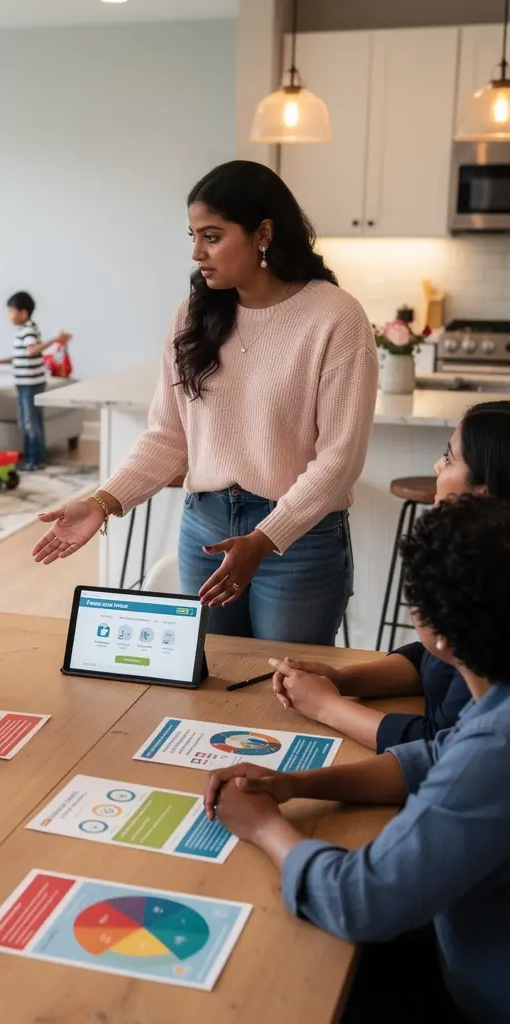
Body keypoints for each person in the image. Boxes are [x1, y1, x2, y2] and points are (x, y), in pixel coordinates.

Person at [33, 160, 378, 646]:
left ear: (263, 234)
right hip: (206, 527)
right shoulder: (194, 314)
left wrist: (265, 539)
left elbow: (340, 460)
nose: (197, 252)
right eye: (193, 236)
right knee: (207, 674)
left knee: (282, 680)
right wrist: (101, 503)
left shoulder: (336, 318)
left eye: (212, 237)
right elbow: (168, 436)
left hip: (298, 540)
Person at [204, 495, 510, 1024]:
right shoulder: (493, 709)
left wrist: (264, 826)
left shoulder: (495, 748)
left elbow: (357, 901)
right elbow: (437, 756)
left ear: (433, 634)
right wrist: (296, 784)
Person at [270, 399, 510, 752]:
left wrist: (327, 707)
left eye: (449, 458)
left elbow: (441, 747)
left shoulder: (494, 593)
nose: (437, 465)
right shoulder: (479, 565)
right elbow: (431, 659)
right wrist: (340, 679)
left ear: (484, 489)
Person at [0, 291, 72, 472]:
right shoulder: (25, 331)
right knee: (29, 421)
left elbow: (32, 350)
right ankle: (34, 458)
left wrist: (55, 340)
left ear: (23, 313)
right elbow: (21, 356)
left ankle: (34, 460)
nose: (9, 316)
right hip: (26, 383)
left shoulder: (28, 330)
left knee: (30, 422)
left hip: (31, 385)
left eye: (11, 312)